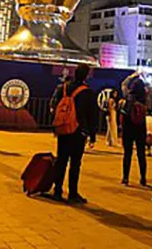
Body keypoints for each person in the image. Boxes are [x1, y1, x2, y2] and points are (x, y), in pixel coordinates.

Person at [50, 64, 98, 204]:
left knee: (61, 161)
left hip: (63, 129)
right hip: (78, 131)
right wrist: (92, 135)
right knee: (75, 163)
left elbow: (54, 107)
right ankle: (72, 193)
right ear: (86, 76)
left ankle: (57, 191)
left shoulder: (63, 88)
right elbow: (92, 115)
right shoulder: (87, 92)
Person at [120, 71, 148, 186]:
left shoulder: (128, 96)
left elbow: (123, 84)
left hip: (128, 128)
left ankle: (125, 178)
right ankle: (143, 178)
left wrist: (132, 76)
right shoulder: (145, 99)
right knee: (141, 154)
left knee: (127, 153)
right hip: (140, 128)